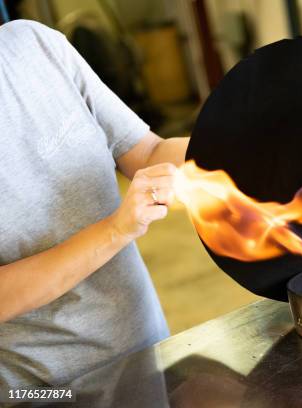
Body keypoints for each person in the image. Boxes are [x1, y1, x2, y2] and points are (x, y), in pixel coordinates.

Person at [0, 19, 189, 387]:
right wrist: (115, 230)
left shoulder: (36, 44)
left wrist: (235, 150)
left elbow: (148, 153)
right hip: (40, 392)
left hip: (147, 353)